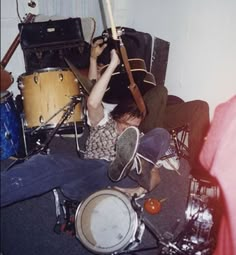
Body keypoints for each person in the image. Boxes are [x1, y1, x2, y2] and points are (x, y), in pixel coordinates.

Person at [0, 49, 171, 208]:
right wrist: (112, 65)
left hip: (122, 182)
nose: (128, 131)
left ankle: (132, 163)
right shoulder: (104, 123)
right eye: (126, 125)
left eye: (134, 128)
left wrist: (138, 191)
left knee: (161, 134)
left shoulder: (139, 140)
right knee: (47, 162)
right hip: (89, 176)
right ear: (117, 117)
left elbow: (154, 177)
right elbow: (92, 102)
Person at [90, 37, 210, 174]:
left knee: (200, 107)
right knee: (160, 91)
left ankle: (199, 166)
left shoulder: (120, 78)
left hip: (147, 113)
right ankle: (158, 141)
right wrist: (93, 61)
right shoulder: (100, 95)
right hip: (135, 125)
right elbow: (91, 93)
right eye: (101, 67)